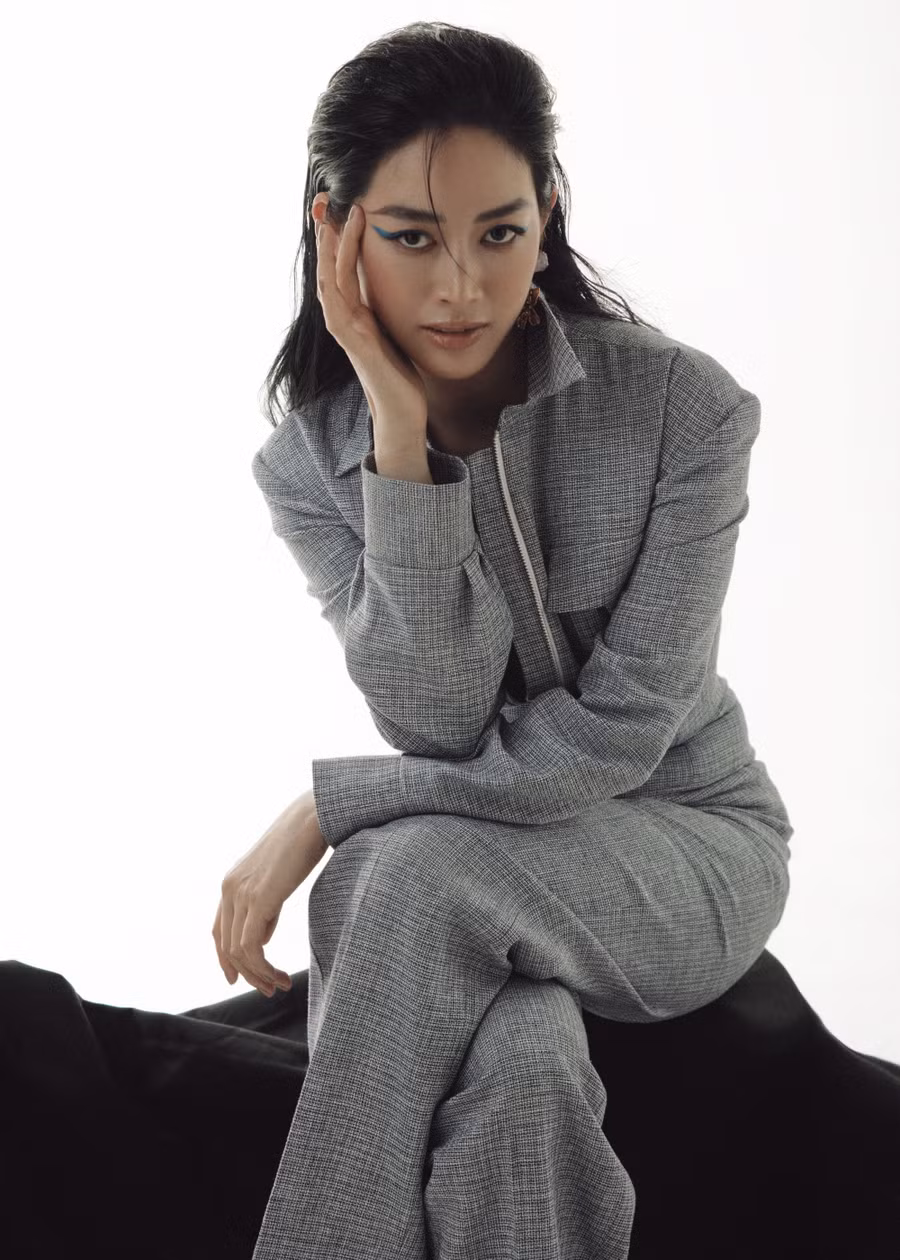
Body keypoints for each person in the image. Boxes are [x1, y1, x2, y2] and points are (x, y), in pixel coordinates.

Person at [223, 19, 799, 1260]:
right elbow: (434, 717)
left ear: (547, 217)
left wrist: (332, 807)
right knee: (519, 1064)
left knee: (397, 870)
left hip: (688, 842)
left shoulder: (686, 413)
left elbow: (617, 739)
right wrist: (397, 439)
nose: (461, 286)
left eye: (498, 232)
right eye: (411, 237)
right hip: (480, 865)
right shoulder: (309, 468)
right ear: (336, 232)